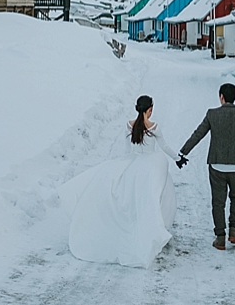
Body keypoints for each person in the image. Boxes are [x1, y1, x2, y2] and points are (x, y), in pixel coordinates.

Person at [58, 95, 178, 268]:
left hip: (132, 163)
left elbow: (127, 149)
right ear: (150, 110)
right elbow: (164, 147)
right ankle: (150, 231)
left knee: (126, 197)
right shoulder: (155, 128)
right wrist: (178, 158)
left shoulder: (129, 125)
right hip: (149, 166)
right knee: (152, 197)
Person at [177, 83, 235, 251]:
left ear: (221, 97)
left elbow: (198, 134)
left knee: (218, 202)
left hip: (217, 165)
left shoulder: (212, 114)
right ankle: (233, 230)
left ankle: (220, 237)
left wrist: (183, 152)